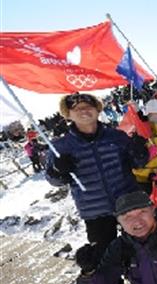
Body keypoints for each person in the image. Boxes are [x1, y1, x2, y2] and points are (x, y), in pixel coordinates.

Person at [46, 93, 148, 257]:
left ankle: (146, 280)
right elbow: (53, 180)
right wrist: (58, 171)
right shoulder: (61, 146)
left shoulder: (117, 136)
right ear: (68, 114)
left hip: (129, 205)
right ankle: (114, 282)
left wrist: (140, 153)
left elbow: (139, 164)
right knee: (106, 257)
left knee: (143, 250)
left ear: (97, 109)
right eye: (77, 108)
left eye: (88, 107)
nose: (84, 111)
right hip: (95, 212)